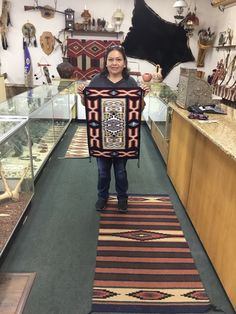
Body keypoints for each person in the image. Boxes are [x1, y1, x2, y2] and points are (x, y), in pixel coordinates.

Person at [78, 45, 149, 212]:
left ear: (124, 63)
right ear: (105, 62)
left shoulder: (130, 82)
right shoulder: (97, 80)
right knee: (103, 171)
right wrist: (83, 96)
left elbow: (138, 109)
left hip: (122, 138)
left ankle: (122, 197)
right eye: (111, 59)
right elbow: (88, 105)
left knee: (120, 172)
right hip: (101, 137)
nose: (114, 63)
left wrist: (142, 97)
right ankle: (102, 196)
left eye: (118, 59)